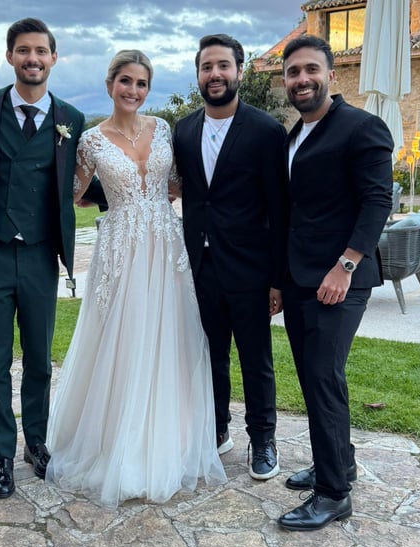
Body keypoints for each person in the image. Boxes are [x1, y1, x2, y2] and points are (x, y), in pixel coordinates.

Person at [45, 49, 226, 507]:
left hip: (166, 246)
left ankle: (171, 439)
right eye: (125, 81)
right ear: (110, 85)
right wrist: (116, 205)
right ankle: (114, 444)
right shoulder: (89, 140)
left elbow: (178, 183)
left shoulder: (162, 128)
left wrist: (154, 202)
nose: (133, 90)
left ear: (148, 89)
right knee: (122, 338)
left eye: (141, 83)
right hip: (122, 250)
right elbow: (71, 193)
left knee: (171, 336)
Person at [0, 17, 103, 498]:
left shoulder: (71, 118)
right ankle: (2, 454)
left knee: (40, 359)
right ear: (10, 57)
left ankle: (36, 443)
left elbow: (81, 180)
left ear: (54, 58)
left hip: (43, 255)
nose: (33, 59)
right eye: (23, 51)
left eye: (41, 51)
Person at [277, 35, 393, 531]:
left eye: (310, 70)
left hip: (339, 280)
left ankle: (333, 494)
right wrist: (279, 280)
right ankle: (337, 462)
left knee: (323, 378)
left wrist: (344, 266)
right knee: (314, 377)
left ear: (331, 74)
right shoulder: (295, 134)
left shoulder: (361, 127)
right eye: (293, 73)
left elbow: (377, 202)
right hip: (301, 277)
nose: (302, 80)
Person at [173, 34, 288, 480]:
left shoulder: (265, 131)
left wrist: (277, 279)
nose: (215, 74)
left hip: (251, 271)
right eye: (207, 67)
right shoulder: (183, 130)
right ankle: (216, 429)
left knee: (256, 359)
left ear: (239, 71)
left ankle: (263, 439)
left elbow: (281, 213)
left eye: (223, 66)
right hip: (199, 269)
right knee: (210, 356)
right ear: (198, 74)